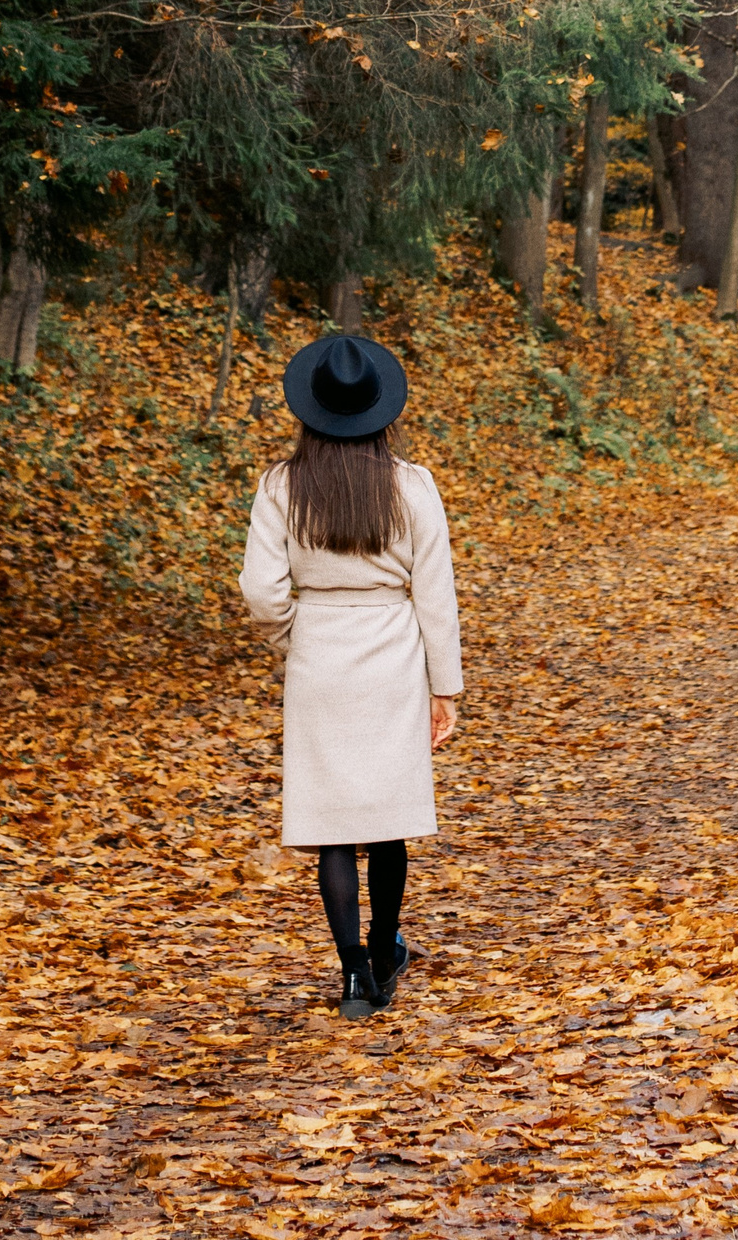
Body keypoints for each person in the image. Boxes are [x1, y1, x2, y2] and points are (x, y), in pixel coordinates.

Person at [239, 332, 464, 1022]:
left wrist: (293, 635)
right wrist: (444, 684)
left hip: (320, 658)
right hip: (392, 652)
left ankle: (354, 976)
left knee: (332, 825)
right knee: (387, 820)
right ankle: (385, 948)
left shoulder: (281, 485)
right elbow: (435, 591)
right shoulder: (412, 484)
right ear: (381, 411)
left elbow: (259, 590)